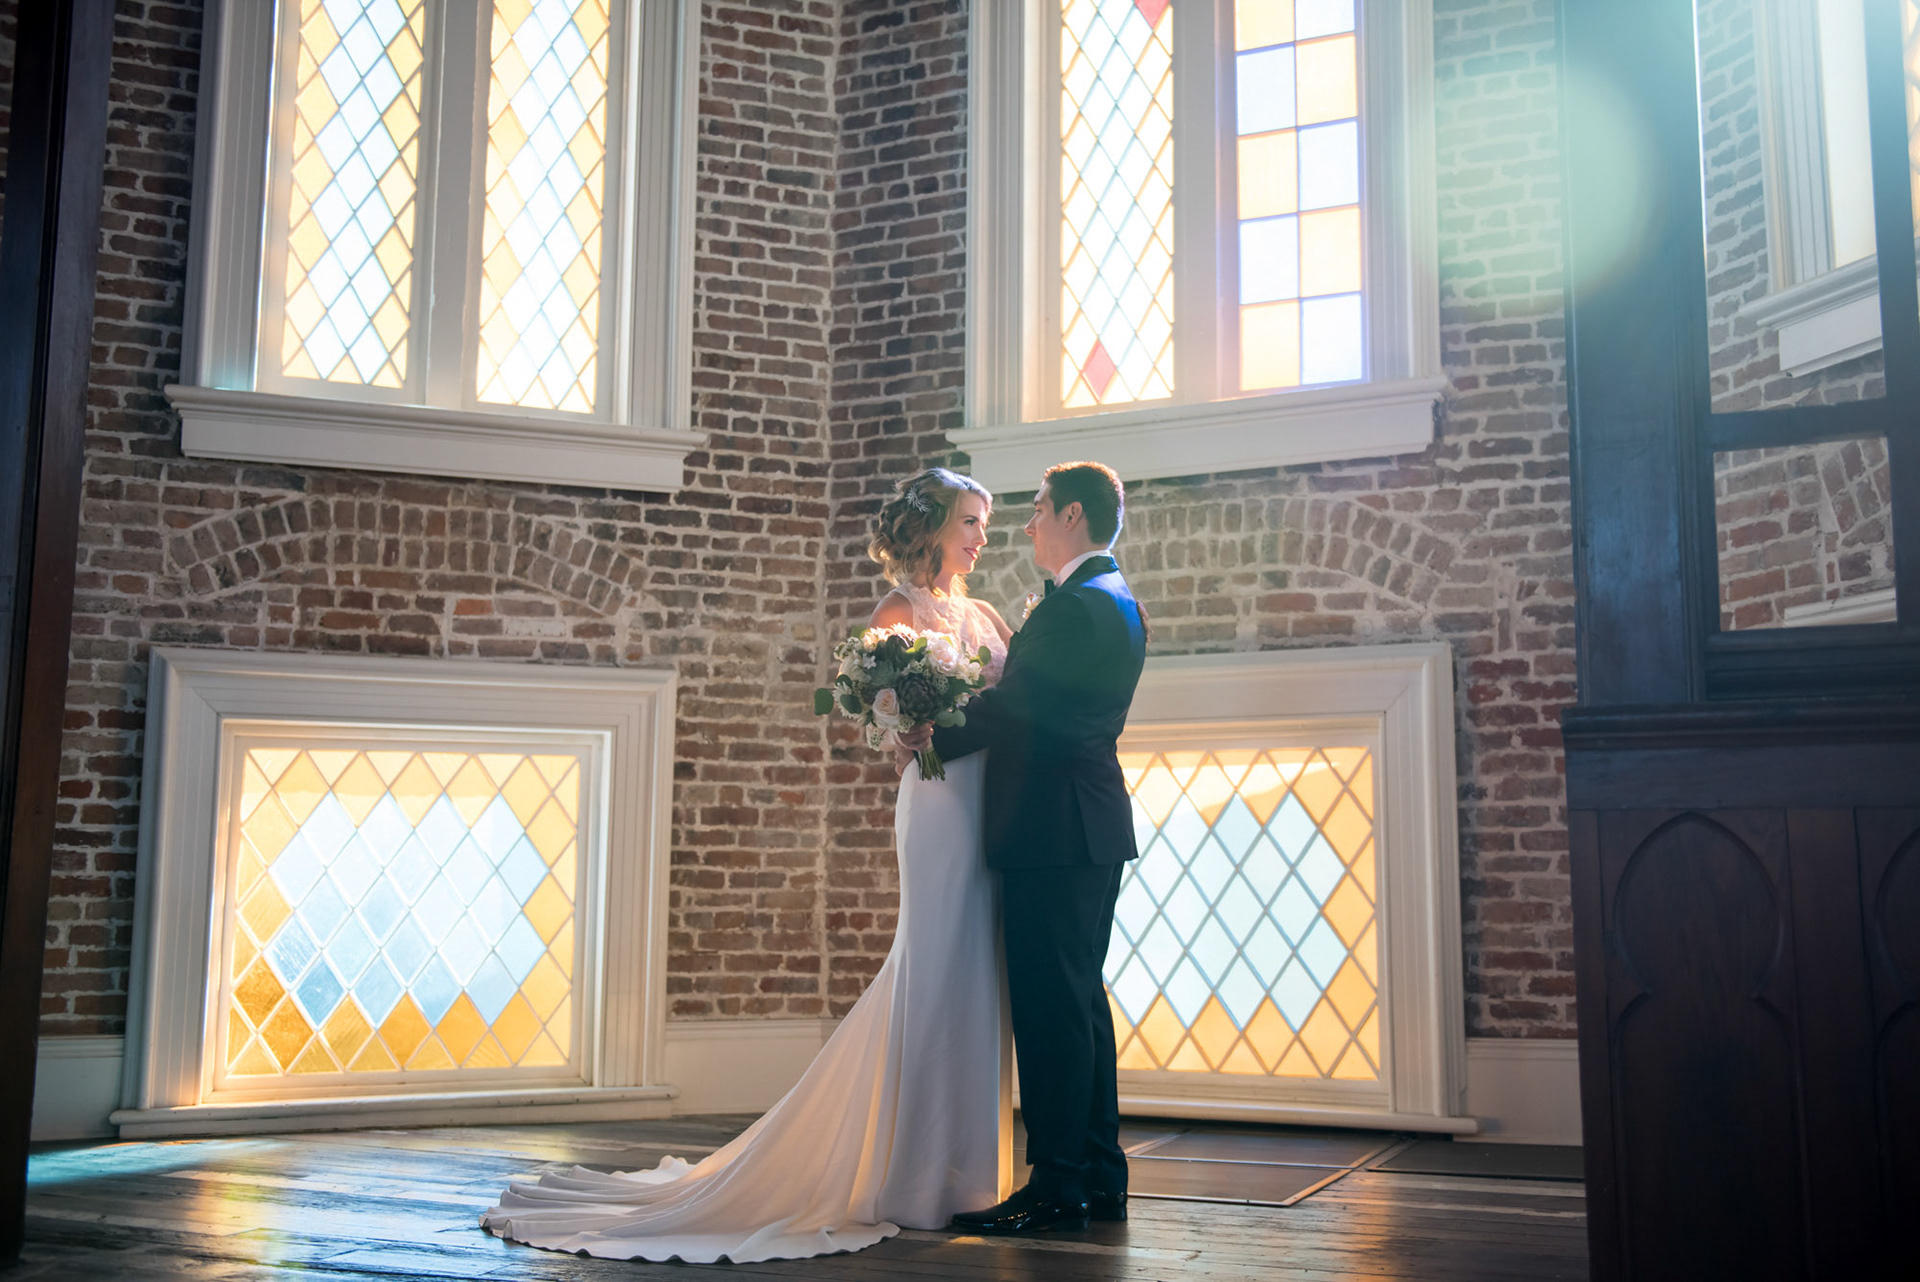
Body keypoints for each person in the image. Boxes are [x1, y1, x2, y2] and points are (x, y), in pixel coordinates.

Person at [479, 467, 1014, 1263]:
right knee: (935, 964)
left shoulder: (988, 613)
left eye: (984, 521)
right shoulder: (898, 613)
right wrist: (907, 729)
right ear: (932, 526)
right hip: (939, 807)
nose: (979, 536)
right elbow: (893, 725)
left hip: (992, 805)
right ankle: (911, 1176)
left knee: (980, 969)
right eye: (969, 520)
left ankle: (968, 1174)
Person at [906, 459, 1147, 1234]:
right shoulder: (1109, 597)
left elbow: (1022, 712)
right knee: (1078, 1005)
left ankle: (1058, 1185)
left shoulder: (1077, 607)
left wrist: (925, 736)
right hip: (1084, 825)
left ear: (1072, 515)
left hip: (1055, 827)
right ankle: (1098, 1172)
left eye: (1039, 507)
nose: (1027, 522)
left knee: (1051, 1008)